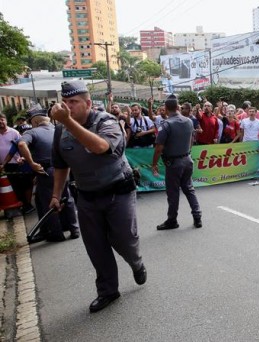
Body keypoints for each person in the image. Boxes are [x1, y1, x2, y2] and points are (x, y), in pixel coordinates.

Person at [50, 80, 146, 313]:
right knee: (96, 246)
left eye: (73, 102)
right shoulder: (61, 129)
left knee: (124, 240)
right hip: (86, 196)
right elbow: (61, 165)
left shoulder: (107, 121)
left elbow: (101, 147)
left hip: (118, 192)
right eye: (65, 102)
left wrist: (68, 122)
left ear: (88, 103)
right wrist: (55, 195)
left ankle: (136, 263)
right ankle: (107, 291)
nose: (68, 106)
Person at [18, 105, 80, 242]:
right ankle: (74, 229)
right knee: (67, 198)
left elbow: (21, 145)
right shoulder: (58, 129)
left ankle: (56, 233)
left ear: (34, 122)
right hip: (64, 169)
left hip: (46, 171)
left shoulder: (32, 132)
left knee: (49, 202)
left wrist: (31, 163)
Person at [152, 94, 202, 230]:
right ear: (177, 107)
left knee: (173, 192)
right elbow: (191, 139)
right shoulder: (188, 121)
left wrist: (154, 164)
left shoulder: (166, 124)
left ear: (166, 108)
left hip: (174, 163)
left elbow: (158, 148)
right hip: (187, 159)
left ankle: (172, 220)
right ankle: (197, 216)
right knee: (189, 188)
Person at [0, 113, 35, 214]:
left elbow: (23, 146)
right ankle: (21, 204)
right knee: (14, 186)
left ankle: (28, 204)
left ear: (6, 120)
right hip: (5, 165)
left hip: (18, 163)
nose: (0, 122)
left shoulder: (14, 132)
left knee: (25, 184)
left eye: (2, 119)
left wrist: (22, 157)